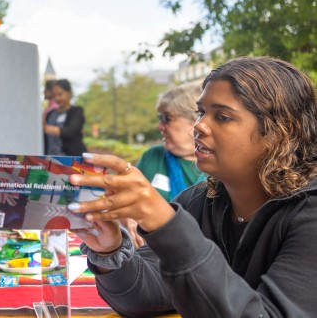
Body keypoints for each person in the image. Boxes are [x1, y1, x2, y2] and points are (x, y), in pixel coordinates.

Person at [67, 56, 317, 317]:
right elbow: (149, 297)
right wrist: (110, 250)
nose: (198, 126)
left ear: (280, 132)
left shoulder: (309, 214)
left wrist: (167, 225)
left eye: (222, 116)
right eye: (201, 113)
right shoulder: (200, 200)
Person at [136, 82, 205, 201]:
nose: (160, 127)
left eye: (166, 118)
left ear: (195, 120)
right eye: (160, 118)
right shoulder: (152, 156)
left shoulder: (221, 166)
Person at [43, 79, 86, 156]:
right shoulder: (50, 114)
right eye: (54, 95)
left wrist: (46, 128)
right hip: (51, 159)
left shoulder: (76, 112)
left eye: (60, 94)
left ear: (69, 93)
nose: (57, 98)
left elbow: (70, 131)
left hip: (71, 159)